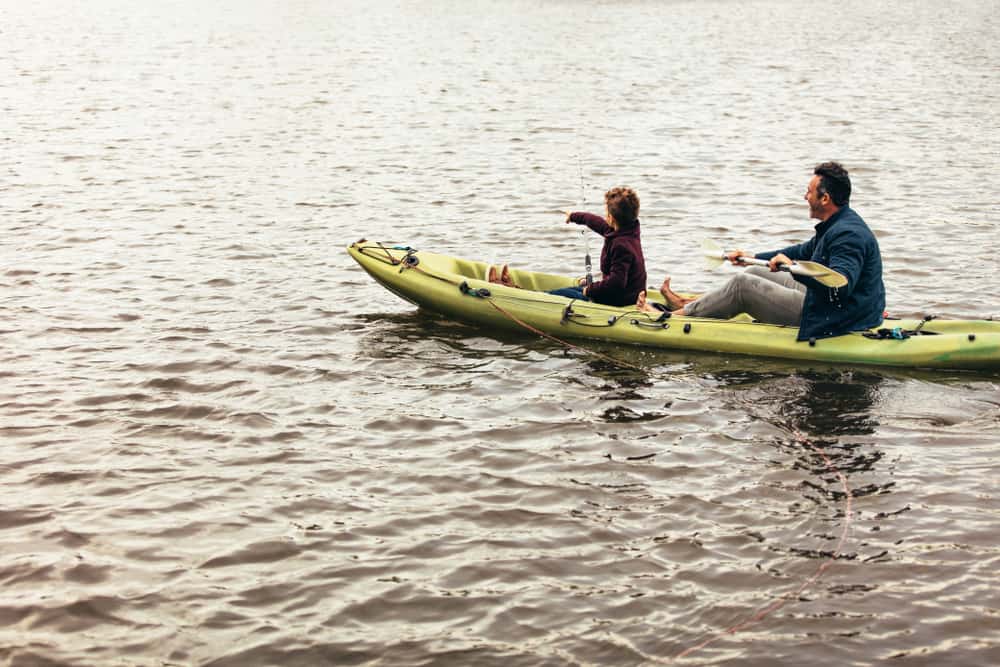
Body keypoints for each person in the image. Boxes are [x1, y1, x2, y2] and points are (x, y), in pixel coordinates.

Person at [661, 162, 885, 341]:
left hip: (835, 317)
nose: (805, 197)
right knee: (752, 273)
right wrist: (753, 258)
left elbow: (840, 287)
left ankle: (669, 319)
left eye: (809, 192)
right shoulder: (838, 223)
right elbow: (803, 251)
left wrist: (792, 267)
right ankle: (687, 305)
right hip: (835, 307)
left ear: (825, 198)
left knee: (741, 286)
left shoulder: (848, 235)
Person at [546, 186, 647, 307]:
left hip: (619, 301)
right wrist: (573, 216)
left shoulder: (621, 245)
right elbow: (595, 221)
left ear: (611, 218)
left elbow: (616, 283)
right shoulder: (629, 231)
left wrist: (589, 290)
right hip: (625, 294)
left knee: (554, 296)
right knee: (571, 290)